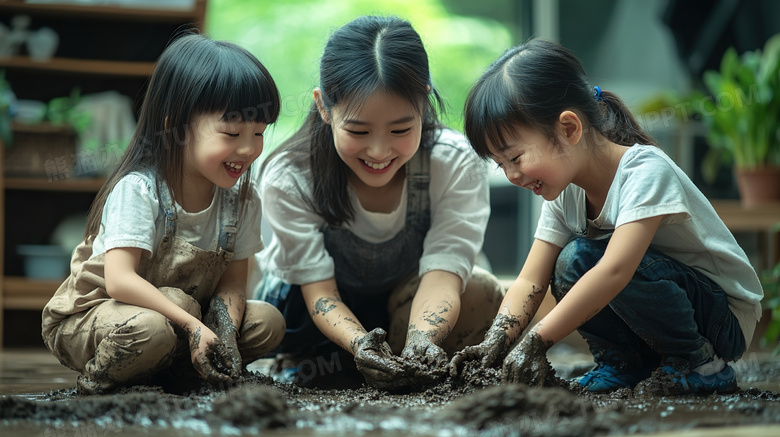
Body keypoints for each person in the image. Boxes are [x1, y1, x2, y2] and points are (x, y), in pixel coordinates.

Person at [449, 39, 763, 395]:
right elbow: (528, 282)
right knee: (572, 261)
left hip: (721, 317)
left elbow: (616, 271)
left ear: (569, 128)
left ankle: (702, 364)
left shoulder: (645, 171)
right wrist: (496, 342)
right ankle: (624, 364)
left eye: (515, 157)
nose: (511, 175)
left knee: (588, 259)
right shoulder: (564, 191)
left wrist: (536, 342)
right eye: (500, 165)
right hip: (663, 303)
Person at [252, 15, 505, 389]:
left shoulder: (454, 163)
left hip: (404, 302)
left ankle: (405, 355)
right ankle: (310, 362)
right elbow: (318, 292)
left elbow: (443, 272)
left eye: (401, 130)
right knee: (312, 347)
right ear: (324, 107)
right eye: (358, 130)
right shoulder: (291, 176)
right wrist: (360, 345)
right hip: (310, 312)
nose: (379, 151)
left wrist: (423, 340)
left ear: (424, 102)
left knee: (480, 291)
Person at [41, 33, 286, 395]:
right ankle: (99, 383)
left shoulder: (243, 200)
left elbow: (234, 282)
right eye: (231, 133)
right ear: (177, 128)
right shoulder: (140, 190)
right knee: (160, 320)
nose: (249, 148)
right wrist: (192, 324)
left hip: (182, 321)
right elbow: (119, 281)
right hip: (101, 316)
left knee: (267, 320)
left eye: (259, 133)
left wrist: (225, 330)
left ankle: (183, 371)